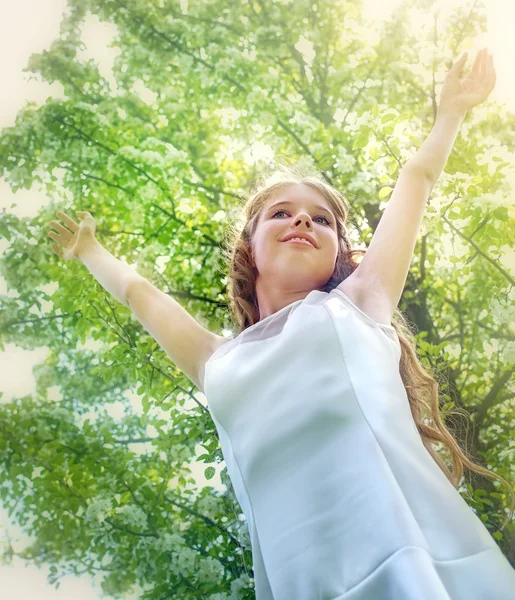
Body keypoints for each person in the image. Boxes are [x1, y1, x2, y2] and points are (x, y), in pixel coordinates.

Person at [48, 48, 515, 599]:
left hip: (416, 566)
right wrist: (89, 251)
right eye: (281, 212)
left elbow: (417, 177)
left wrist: (451, 112)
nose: (302, 219)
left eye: (322, 219)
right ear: (249, 248)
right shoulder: (215, 363)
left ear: (341, 251)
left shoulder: (359, 304)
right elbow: (139, 294)